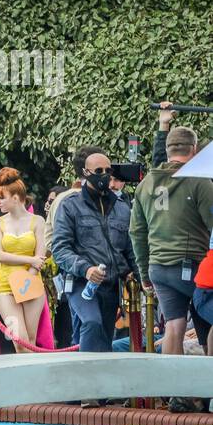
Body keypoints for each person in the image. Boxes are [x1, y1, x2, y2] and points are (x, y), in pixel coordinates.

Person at [130, 126, 213, 361]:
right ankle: (209, 388)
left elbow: (136, 231)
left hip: (158, 267)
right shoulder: (199, 181)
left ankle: (176, 395)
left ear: (167, 150)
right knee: (207, 323)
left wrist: (144, 271)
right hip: (193, 265)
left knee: (174, 326)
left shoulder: (145, 184)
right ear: (194, 150)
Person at [51, 149, 138, 355]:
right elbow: (60, 249)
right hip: (81, 282)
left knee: (104, 340)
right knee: (92, 323)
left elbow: (129, 248)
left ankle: (94, 380)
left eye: (108, 170)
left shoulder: (122, 208)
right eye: (98, 170)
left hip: (111, 285)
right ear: (85, 173)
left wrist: (136, 274)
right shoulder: (70, 206)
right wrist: (86, 269)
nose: (104, 174)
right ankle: (86, 380)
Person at [0, 168, 48, 352]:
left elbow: (40, 256)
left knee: (30, 339)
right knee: (19, 340)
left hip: (30, 282)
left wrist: (28, 277)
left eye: (2, 197)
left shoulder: (38, 221)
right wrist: (29, 261)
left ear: (15, 198)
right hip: (6, 284)